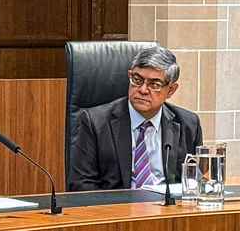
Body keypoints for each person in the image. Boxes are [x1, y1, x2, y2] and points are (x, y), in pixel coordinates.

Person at [68, 45, 202, 191]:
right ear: (129, 75)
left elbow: (194, 182)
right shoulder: (94, 123)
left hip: (169, 210)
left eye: (154, 84)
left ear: (170, 90)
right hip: (118, 210)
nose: (143, 90)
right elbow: (82, 186)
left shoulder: (188, 124)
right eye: (137, 80)